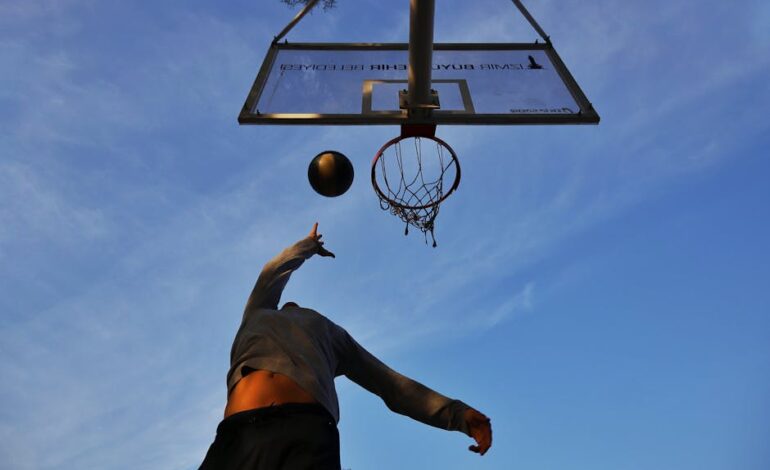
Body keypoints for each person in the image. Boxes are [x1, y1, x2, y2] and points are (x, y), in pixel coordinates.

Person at [200, 223, 492, 469]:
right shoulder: (259, 313)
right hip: (238, 434)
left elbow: (389, 384)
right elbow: (272, 272)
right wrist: (308, 246)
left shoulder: (329, 332)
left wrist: (458, 415)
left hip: (306, 431)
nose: (293, 305)